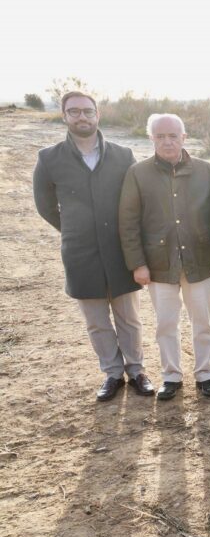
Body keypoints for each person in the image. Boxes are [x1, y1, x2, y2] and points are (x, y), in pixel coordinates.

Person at [33, 91, 151, 401]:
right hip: (80, 253)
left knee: (128, 317)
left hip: (120, 249)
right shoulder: (49, 158)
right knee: (97, 321)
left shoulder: (123, 154)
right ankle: (112, 374)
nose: (82, 117)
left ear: (97, 114)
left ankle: (136, 370)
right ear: (65, 116)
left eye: (87, 111)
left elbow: (137, 200)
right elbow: (45, 206)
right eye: (74, 112)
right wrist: (73, 229)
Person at [119, 113, 210, 400]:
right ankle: (171, 375)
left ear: (184, 138)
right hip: (158, 263)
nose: (167, 141)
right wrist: (138, 263)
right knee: (166, 323)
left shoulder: (206, 171)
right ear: (151, 138)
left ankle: (205, 374)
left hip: (200, 260)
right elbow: (128, 222)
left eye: (173, 135)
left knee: (202, 321)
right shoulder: (137, 173)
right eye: (160, 136)